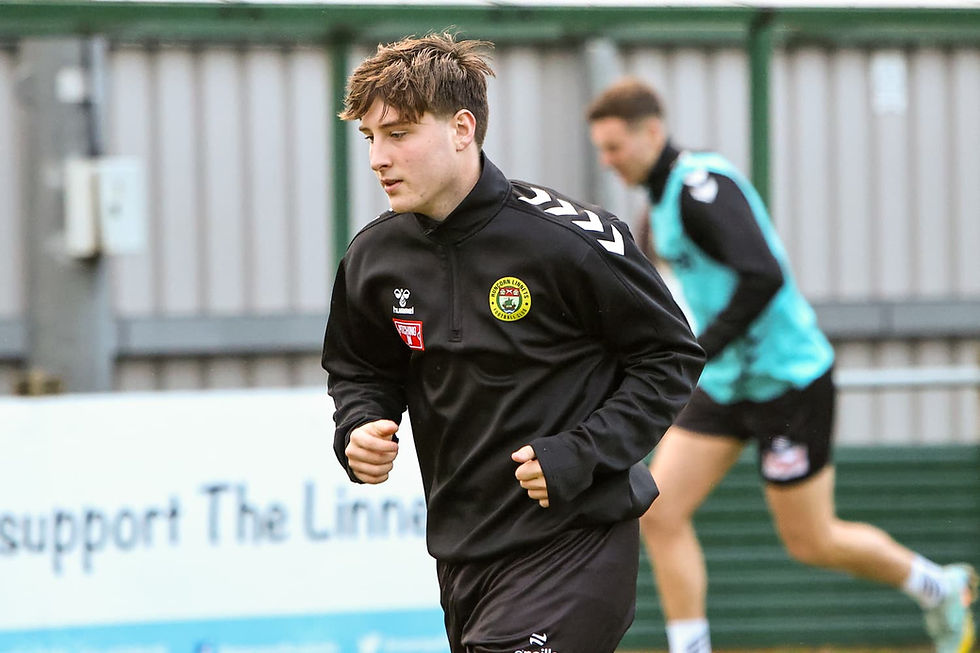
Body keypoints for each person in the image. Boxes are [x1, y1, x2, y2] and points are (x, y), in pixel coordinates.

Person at [321, 36, 705, 653]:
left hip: (577, 541)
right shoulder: (373, 257)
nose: (377, 158)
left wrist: (581, 453)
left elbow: (670, 359)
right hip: (463, 555)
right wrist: (361, 424)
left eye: (398, 134)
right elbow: (360, 368)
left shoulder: (571, 240)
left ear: (462, 129)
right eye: (370, 138)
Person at [586, 77, 977, 653]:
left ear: (652, 132)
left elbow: (763, 275)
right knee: (659, 511)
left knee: (812, 541)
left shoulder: (700, 189)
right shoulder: (661, 203)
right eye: (601, 150)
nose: (609, 161)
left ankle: (941, 587)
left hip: (788, 381)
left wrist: (696, 351)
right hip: (726, 384)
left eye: (615, 147)